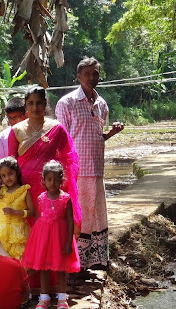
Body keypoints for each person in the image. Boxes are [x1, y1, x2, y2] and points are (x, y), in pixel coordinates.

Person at [8, 85, 81, 295]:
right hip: (25, 192)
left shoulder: (56, 128)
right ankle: (30, 286)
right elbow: (12, 162)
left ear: (45, 104)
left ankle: (54, 286)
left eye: (39, 102)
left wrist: (65, 185)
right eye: (30, 103)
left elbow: (69, 156)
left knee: (52, 234)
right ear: (25, 105)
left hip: (51, 191)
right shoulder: (17, 130)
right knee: (28, 235)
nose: (35, 107)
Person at [55, 57, 124, 272]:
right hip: (76, 171)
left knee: (95, 213)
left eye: (95, 73)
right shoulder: (67, 103)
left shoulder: (101, 103)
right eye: (88, 74)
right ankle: (76, 262)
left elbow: (96, 137)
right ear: (78, 76)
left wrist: (110, 133)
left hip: (96, 170)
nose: (92, 77)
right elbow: (60, 139)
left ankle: (95, 260)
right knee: (79, 215)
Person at [22, 161, 80, 309]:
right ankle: (44, 297)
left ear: (62, 180)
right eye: (49, 179)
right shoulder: (41, 198)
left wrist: (68, 242)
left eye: (56, 179)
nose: (52, 183)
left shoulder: (66, 199)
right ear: (44, 180)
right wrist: (35, 242)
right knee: (44, 267)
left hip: (60, 239)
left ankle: (62, 297)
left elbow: (69, 221)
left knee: (61, 268)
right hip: (44, 239)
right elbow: (36, 222)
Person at [0, 157, 34, 260]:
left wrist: (15, 212)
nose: (7, 178)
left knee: (19, 260)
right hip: (2, 231)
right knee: (2, 259)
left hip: (19, 231)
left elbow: (31, 212)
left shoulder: (24, 190)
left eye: (10, 174)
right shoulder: (1, 191)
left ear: (16, 172)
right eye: (3, 176)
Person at [0, 96, 27, 167]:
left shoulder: (34, 133)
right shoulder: (2, 137)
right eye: (9, 118)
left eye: (15, 117)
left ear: (26, 115)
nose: (12, 121)